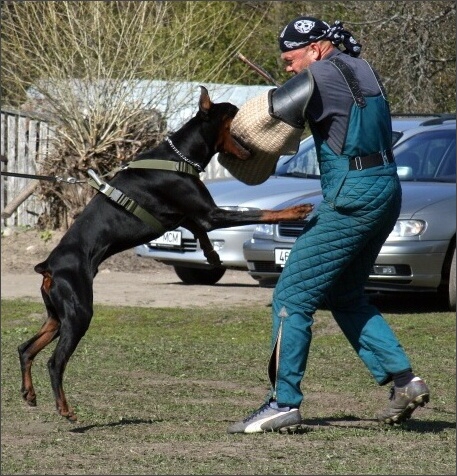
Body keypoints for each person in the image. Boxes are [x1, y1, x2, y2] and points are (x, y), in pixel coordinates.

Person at [227, 16, 430, 434]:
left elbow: (259, 130)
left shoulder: (317, 74)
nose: (287, 67)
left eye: (290, 58)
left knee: (291, 296)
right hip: (386, 190)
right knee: (345, 294)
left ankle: (283, 402)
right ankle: (405, 381)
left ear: (316, 48)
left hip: (351, 196)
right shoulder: (363, 68)